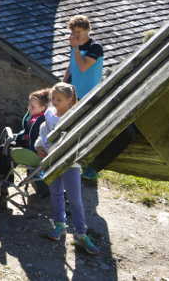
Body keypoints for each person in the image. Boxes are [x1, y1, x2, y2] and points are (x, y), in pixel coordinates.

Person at [37, 83, 102, 255]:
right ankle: (59, 225)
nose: (55, 102)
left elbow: (80, 142)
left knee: (75, 199)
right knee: (56, 193)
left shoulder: (75, 119)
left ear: (69, 100)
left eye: (59, 99)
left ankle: (81, 233)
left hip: (70, 164)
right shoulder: (50, 116)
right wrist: (39, 146)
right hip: (51, 161)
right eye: (53, 99)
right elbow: (43, 133)